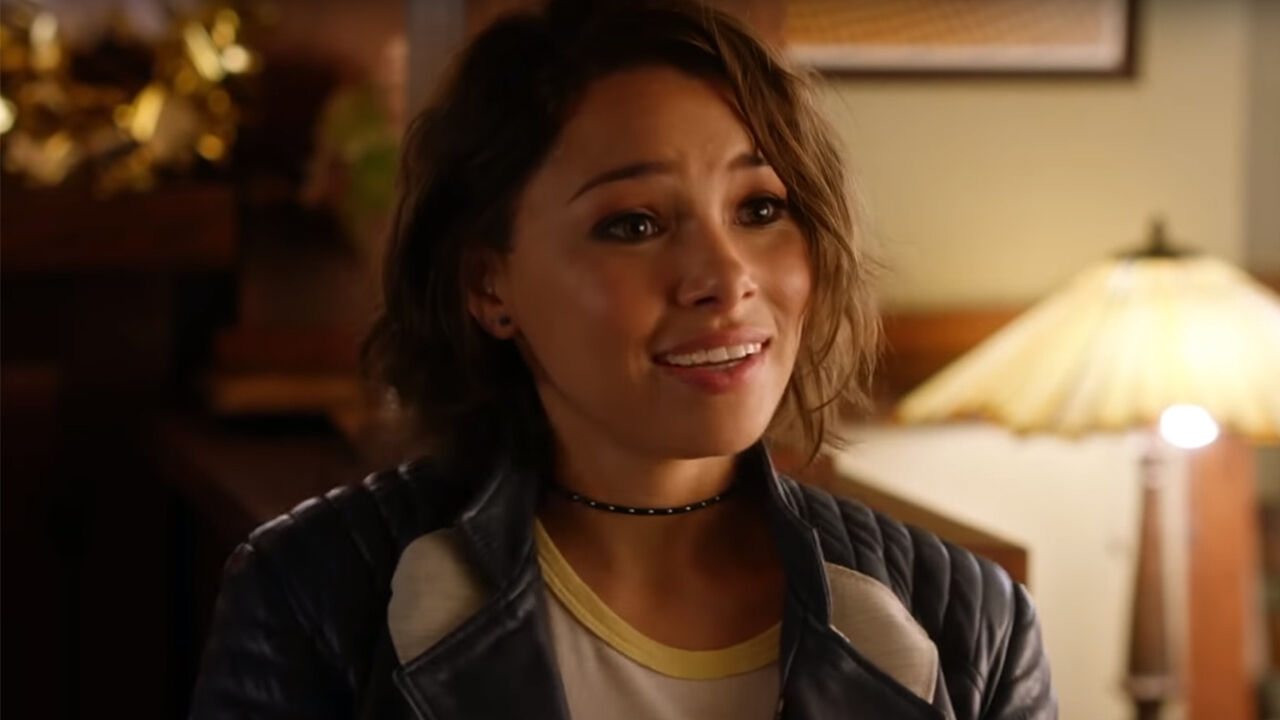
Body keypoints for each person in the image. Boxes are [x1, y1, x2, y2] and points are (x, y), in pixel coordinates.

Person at [188, 1, 1056, 718]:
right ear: (489, 284)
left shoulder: (969, 624)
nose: (726, 277)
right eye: (634, 223)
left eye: (759, 209)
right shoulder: (317, 599)